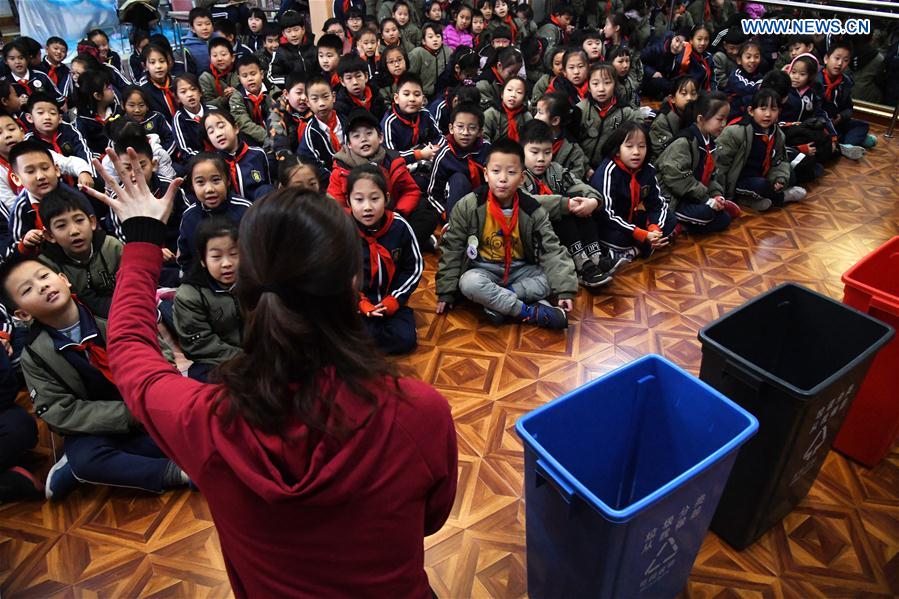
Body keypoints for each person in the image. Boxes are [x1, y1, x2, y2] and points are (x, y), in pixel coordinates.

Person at [79, 147, 457, 597]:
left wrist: (142, 239)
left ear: (248, 287)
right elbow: (430, 520)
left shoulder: (205, 419)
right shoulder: (419, 413)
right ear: (353, 281)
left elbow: (128, 354)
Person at [0, 253, 190, 501]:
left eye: (44, 276)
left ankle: (88, 467)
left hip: (146, 403)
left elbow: (157, 350)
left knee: (186, 418)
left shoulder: (112, 311)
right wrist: (128, 415)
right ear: (23, 314)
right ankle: (176, 473)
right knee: (87, 459)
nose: (42, 286)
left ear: (64, 279)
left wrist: (151, 398)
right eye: (28, 290)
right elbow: (59, 412)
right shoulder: (35, 354)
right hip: (101, 425)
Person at [436, 137, 577, 328]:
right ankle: (529, 312)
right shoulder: (469, 206)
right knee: (468, 283)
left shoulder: (532, 209)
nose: (502, 178)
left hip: (520, 270)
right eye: (496, 171)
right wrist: (446, 291)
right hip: (484, 269)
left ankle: (497, 305)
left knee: (547, 280)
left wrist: (565, 290)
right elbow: (452, 248)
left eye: (511, 172)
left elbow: (551, 249)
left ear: (522, 178)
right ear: (486, 174)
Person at [519, 120, 622, 288]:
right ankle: (581, 266)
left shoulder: (555, 169)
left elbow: (577, 184)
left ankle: (595, 257)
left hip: (562, 230)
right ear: (521, 151)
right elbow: (527, 201)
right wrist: (564, 204)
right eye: (534, 152)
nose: (541, 159)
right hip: (536, 235)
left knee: (580, 204)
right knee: (563, 209)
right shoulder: (518, 174)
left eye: (547, 152)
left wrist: (592, 200)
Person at [347, 164, 422, 354]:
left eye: (374, 199)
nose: (367, 207)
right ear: (348, 201)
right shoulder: (342, 229)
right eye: (359, 200)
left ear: (387, 199)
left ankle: (367, 342)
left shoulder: (399, 227)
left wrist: (395, 300)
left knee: (406, 340)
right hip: (357, 303)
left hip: (391, 300)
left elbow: (413, 268)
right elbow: (335, 273)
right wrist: (359, 302)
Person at [589, 122, 678, 262]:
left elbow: (658, 204)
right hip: (611, 224)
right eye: (629, 146)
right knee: (616, 238)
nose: (636, 152)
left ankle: (635, 250)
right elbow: (607, 214)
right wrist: (640, 233)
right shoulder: (608, 171)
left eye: (642, 146)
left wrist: (654, 229)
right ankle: (642, 248)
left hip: (631, 220)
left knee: (671, 219)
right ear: (617, 150)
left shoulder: (647, 169)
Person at [657, 92, 741, 234]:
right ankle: (673, 221)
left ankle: (683, 227)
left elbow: (712, 176)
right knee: (706, 214)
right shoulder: (684, 142)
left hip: (693, 195)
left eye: (725, 119)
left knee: (724, 219)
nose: (724, 124)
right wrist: (706, 199)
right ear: (701, 119)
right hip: (672, 198)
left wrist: (716, 195)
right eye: (720, 119)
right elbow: (676, 178)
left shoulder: (712, 144)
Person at [715, 88, 806, 212]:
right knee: (761, 185)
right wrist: (720, 194)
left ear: (779, 111)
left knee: (790, 174)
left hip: (763, 176)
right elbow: (720, 165)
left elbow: (780, 161)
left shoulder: (778, 134)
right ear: (751, 111)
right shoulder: (736, 132)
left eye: (773, 109)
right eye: (762, 109)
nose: (768, 114)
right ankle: (782, 197)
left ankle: (752, 201)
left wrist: (779, 179)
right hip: (739, 181)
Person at [174, 217, 242, 382]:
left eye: (233, 254)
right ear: (203, 260)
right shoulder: (189, 295)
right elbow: (201, 346)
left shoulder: (254, 281)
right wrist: (245, 359)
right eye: (216, 257)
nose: (227, 263)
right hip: (215, 361)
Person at [37, 188, 123, 318]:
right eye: (61, 226)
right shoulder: (48, 266)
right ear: (49, 235)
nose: (74, 231)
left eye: (79, 220)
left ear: (92, 222)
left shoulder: (112, 247)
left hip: (123, 310)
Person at [3, 140, 93, 258]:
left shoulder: (75, 197)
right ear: (16, 179)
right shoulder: (21, 209)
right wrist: (26, 242)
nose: (40, 176)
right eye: (30, 171)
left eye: (45, 168)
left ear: (56, 170)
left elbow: (94, 227)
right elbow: (15, 250)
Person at [177, 153, 253, 272]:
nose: (209, 189)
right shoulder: (189, 216)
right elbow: (185, 257)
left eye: (216, 180)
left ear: (228, 181)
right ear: (192, 186)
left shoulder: (244, 209)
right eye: (200, 182)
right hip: (202, 281)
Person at [427, 102, 491, 218]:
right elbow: (433, 195)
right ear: (451, 128)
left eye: (472, 128)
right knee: (458, 179)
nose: (465, 133)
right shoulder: (444, 155)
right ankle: (455, 228)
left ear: (480, 132)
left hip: (485, 202)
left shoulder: (487, 149)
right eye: (460, 127)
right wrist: (445, 213)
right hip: (455, 206)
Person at [202, 110, 274, 202]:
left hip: (259, 211)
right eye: (211, 132)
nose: (218, 134)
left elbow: (268, 185)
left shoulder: (258, 154)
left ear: (236, 128)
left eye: (221, 126)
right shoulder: (212, 164)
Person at [819, 42, 877, 152]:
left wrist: (841, 116)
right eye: (837, 58)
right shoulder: (815, 79)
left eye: (845, 60)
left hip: (836, 122)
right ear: (826, 59)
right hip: (820, 123)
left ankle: (845, 145)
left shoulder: (845, 82)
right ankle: (849, 141)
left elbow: (849, 108)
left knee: (862, 125)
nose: (840, 63)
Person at [381, 73, 441, 165]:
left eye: (417, 95)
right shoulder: (389, 122)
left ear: (423, 99)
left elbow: (439, 137)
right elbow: (390, 155)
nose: (412, 99)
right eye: (406, 94)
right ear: (396, 98)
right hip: (402, 166)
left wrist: (434, 148)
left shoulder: (425, 113)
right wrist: (419, 154)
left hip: (426, 159)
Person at [533, 92, 589, 180]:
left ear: (555, 120)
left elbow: (574, 179)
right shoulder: (529, 137)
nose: (535, 117)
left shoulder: (573, 150)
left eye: (540, 113)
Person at [649, 76, 698, 158]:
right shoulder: (661, 121)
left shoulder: (698, 114)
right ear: (672, 99)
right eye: (684, 93)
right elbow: (664, 154)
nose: (689, 98)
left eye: (693, 93)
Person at [269, 72, 312, 160]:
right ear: (286, 94)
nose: (304, 98)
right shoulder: (278, 111)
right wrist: (291, 163)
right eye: (299, 93)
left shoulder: (316, 110)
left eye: (307, 93)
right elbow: (279, 140)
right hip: (288, 159)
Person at [268, 10, 317, 87]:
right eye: (289, 31)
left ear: (303, 30)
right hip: (293, 92)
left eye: (296, 30)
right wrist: (292, 81)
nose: (293, 34)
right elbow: (272, 77)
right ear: (284, 33)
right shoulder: (280, 52)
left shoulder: (313, 49)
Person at [334, 55, 387, 121]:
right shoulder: (341, 106)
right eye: (349, 78)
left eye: (358, 76)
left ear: (366, 76)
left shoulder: (377, 96)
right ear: (342, 81)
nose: (355, 82)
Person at [482, 76, 530, 143]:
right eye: (509, 90)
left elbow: (530, 140)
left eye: (519, 92)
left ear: (524, 99)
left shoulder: (526, 116)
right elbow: (484, 138)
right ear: (502, 94)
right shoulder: (490, 114)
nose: (513, 95)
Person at [199, 38, 240, 112]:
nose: (219, 59)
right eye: (214, 56)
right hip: (219, 114)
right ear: (210, 58)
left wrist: (238, 92)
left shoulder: (240, 70)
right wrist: (225, 98)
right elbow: (207, 104)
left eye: (223, 54)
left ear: (233, 57)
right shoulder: (205, 77)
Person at [183, 7, 216, 74]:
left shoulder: (220, 39)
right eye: (199, 25)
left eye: (208, 23)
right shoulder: (189, 48)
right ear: (193, 28)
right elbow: (190, 73)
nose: (204, 28)